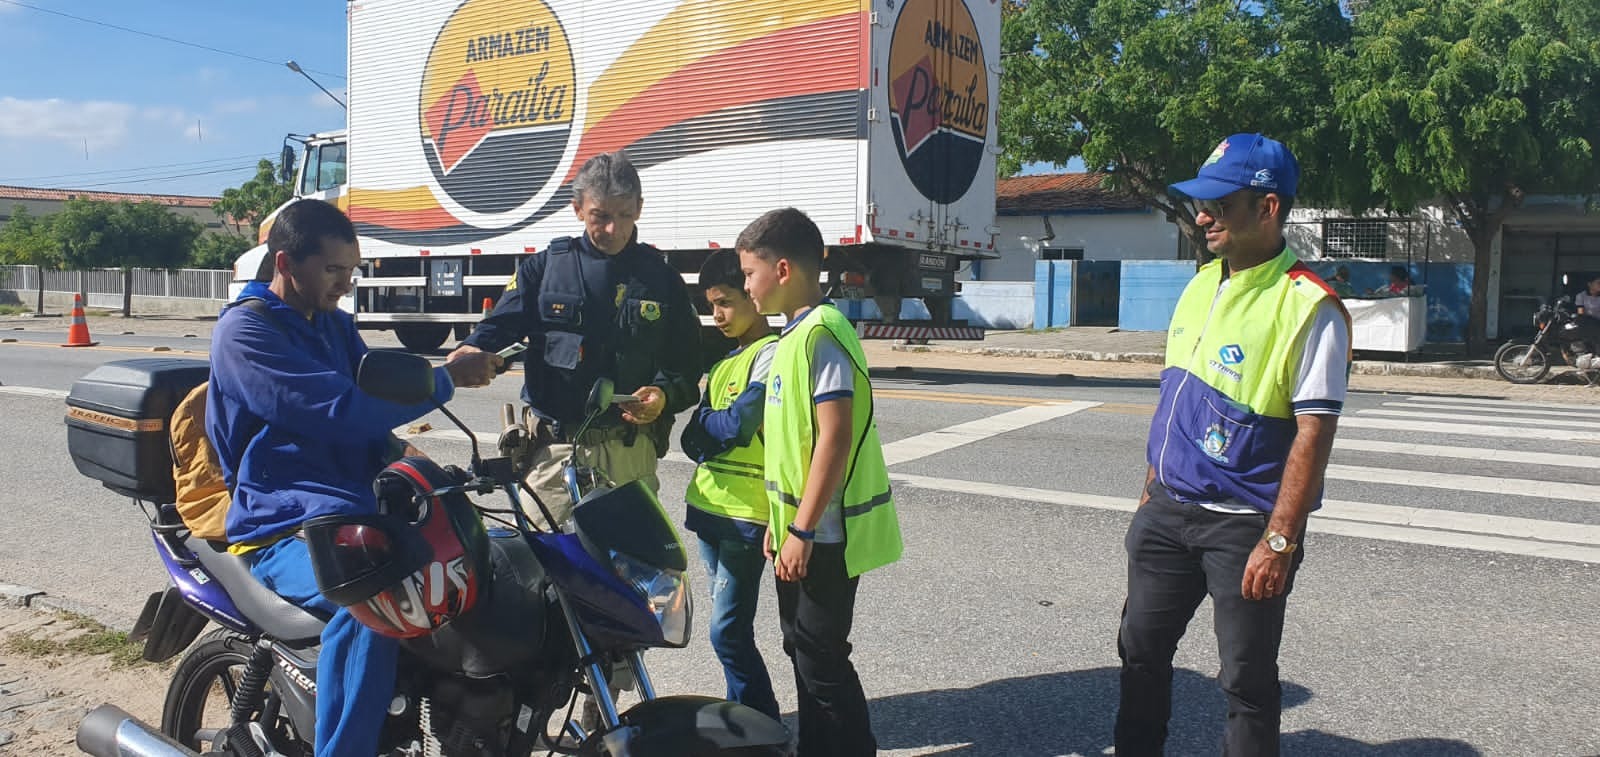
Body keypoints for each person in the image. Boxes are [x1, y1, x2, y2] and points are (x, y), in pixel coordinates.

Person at [208, 199, 501, 756]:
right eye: (333, 271)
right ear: (287, 263)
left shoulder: (336, 328)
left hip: (352, 510)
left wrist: (425, 468)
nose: (345, 283)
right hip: (282, 523)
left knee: (480, 562)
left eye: (351, 270)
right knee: (377, 602)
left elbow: (373, 416)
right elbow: (339, 411)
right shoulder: (245, 333)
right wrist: (445, 380)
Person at [1116, 134, 1351, 757]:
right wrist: (1148, 492)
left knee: (1245, 682)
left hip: (1243, 527)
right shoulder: (1200, 284)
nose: (1201, 216)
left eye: (1218, 204)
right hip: (1166, 514)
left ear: (1268, 207)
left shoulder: (1309, 306)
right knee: (1139, 656)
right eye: (1200, 202)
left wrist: (1279, 541)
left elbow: (1314, 431)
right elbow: (1175, 396)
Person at [448, 151, 701, 524]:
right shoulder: (546, 267)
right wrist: (473, 348)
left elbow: (686, 363)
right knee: (543, 569)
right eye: (601, 216)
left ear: (640, 209)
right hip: (553, 456)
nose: (614, 229)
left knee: (632, 577)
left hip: (629, 458)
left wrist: (664, 395)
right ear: (578, 209)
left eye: (625, 215)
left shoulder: (661, 279)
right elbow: (500, 326)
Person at [737, 207, 904, 757]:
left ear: (782, 270)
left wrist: (803, 530)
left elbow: (833, 438)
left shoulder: (822, 336)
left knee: (822, 658)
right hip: (798, 532)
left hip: (825, 537)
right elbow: (792, 446)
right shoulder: (793, 336)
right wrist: (778, 521)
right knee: (801, 648)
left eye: (749, 274)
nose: (746, 287)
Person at [679, 250, 782, 720]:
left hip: (747, 517)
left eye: (724, 303)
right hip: (710, 511)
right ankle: (743, 718)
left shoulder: (771, 354)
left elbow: (737, 426)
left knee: (727, 630)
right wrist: (709, 429)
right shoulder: (726, 361)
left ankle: (761, 721)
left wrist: (709, 429)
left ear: (752, 295)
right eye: (709, 306)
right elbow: (691, 436)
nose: (715, 316)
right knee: (729, 629)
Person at [1573, 275, 1600, 354]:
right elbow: (1580, 313)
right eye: (1598, 283)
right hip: (1588, 324)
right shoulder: (1581, 296)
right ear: (1590, 284)